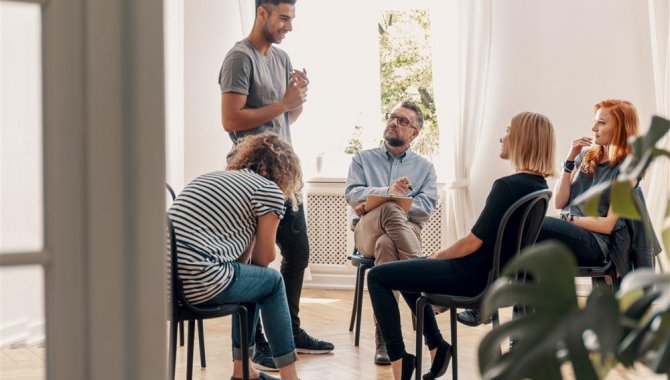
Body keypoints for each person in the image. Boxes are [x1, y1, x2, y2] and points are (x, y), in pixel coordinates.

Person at [367, 112, 556, 379]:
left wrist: (436, 258)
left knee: (376, 276)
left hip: (472, 277)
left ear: (524, 139)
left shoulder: (507, 186)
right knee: (406, 272)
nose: (502, 137)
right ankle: (437, 346)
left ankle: (400, 363)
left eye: (508, 130)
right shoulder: (538, 186)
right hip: (494, 278)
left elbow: (472, 242)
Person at [218, 0, 334, 371]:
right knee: (255, 263)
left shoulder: (282, 59)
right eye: (284, 17)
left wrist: (296, 99)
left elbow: (288, 115)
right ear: (262, 13)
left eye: (292, 18)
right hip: (251, 177)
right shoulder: (240, 58)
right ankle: (255, 345)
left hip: (285, 175)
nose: (289, 26)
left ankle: (290, 330)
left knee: (298, 254)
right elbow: (231, 119)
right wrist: (283, 101)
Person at [168, 133, 303, 380]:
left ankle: (243, 372)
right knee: (272, 281)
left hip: (165, 286)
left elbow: (244, 269)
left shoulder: (209, 177)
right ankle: (290, 376)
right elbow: (264, 259)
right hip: (199, 279)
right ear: (285, 171)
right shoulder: (267, 190)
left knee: (254, 283)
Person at [344, 100, 438, 365]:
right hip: (366, 232)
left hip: (403, 233)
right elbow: (352, 194)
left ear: (414, 134)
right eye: (392, 117)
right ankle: (426, 288)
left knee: (387, 244)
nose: (394, 123)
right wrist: (390, 194)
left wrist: (388, 204)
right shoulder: (362, 159)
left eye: (403, 121)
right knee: (388, 211)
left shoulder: (425, 168)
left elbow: (426, 209)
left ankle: (387, 339)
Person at [536, 99, 640, 267]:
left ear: (620, 128)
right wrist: (569, 162)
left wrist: (566, 218)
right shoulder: (586, 156)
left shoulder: (628, 169)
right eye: (595, 121)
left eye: (601, 123)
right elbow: (560, 202)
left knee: (533, 224)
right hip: (568, 231)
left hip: (594, 242)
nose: (593, 129)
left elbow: (608, 225)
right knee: (524, 229)